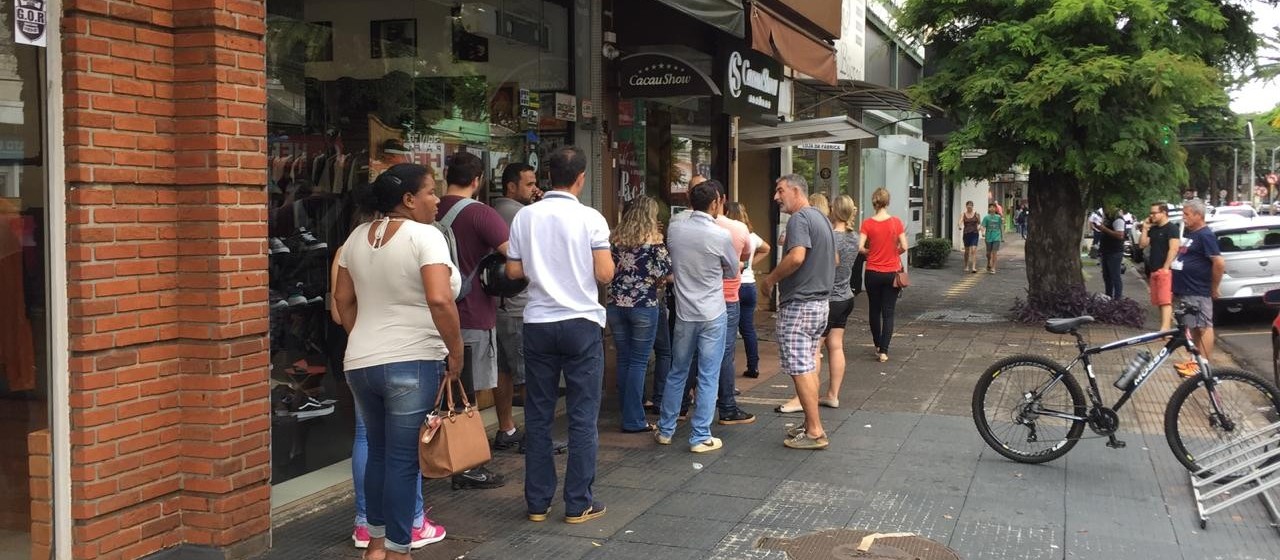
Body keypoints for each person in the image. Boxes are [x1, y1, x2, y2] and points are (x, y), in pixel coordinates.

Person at [333, 163, 462, 559]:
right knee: (405, 461)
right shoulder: (426, 236)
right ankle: (398, 550)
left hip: (361, 361)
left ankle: (375, 544)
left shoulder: (355, 238)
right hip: (412, 358)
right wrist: (455, 352)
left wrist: (362, 336)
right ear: (408, 200)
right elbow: (440, 298)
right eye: (429, 192)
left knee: (379, 452)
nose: (437, 199)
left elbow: (342, 299)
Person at [506, 146, 613, 524]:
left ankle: (537, 502)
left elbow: (514, 271)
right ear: (581, 178)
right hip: (581, 322)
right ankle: (578, 502)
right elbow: (604, 274)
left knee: (538, 414)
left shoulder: (525, 217)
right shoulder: (591, 218)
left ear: (548, 175)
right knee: (582, 416)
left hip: (538, 322)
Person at [436, 151, 509, 490]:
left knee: (443, 391)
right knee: (467, 396)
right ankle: (466, 465)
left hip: (435, 312)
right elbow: (514, 253)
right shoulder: (481, 214)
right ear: (478, 180)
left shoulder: (428, 208)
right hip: (472, 312)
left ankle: (436, 456)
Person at [490, 163, 566, 454]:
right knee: (529, 375)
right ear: (511, 187)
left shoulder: (498, 209)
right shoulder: (519, 213)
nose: (535, 189)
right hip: (518, 305)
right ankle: (536, 437)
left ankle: (506, 428)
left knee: (505, 372)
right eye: (529, 184)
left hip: (501, 305)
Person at [659, 180, 738, 453]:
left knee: (677, 370)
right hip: (713, 311)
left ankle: (666, 429)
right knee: (708, 373)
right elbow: (732, 272)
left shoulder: (676, 228)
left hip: (684, 311)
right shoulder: (720, 235)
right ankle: (700, 435)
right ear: (715, 203)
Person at [760, 175, 834, 449]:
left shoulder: (799, 219)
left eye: (780, 190)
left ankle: (814, 430)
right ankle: (809, 423)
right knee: (809, 364)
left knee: (800, 367)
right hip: (819, 304)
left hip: (801, 305)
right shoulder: (821, 218)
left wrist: (770, 280)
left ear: (795, 190)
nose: (776, 197)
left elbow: (797, 256)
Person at [774, 194, 857, 413]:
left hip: (827, 295)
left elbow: (833, 260)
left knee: (812, 352)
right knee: (836, 346)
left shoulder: (831, 235)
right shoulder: (854, 237)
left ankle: (802, 398)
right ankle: (832, 395)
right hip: (846, 295)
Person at [606, 195, 671, 433]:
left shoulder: (614, 238)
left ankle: (628, 412)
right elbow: (665, 272)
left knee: (624, 359)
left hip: (615, 305)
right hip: (644, 304)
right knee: (638, 362)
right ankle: (633, 420)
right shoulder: (654, 241)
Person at [710, 184, 756, 426]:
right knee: (725, 353)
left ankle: (682, 407)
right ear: (721, 200)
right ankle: (726, 406)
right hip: (728, 297)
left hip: (693, 301)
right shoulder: (737, 229)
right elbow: (743, 259)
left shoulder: (679, 227)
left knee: (689, 354)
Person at [1170, 199, 1225, 377]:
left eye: (1187, 214)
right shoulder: (1193, 234)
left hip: (1198, 290)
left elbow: (1218, 262)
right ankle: (1195, 362)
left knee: (1204, 327)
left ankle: (1204, 365)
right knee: (1193, 326)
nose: (1183, 218)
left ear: (1198, 215)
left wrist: (1214, 287)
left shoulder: (1205, 235)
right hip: (1187, 290)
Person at [859, 187, 907, 363]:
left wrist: (870, 253)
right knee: (888, 312)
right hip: (891, 273)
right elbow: (904, 246)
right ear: (888, 202)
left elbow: (860, 247)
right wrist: (895, 252)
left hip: (872, 272)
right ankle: (884, 351)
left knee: (874, 309)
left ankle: (877, 344)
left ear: (874, 202)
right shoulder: (896, 222)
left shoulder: (867, 223)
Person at [726, 202, 770, 379]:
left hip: (733, 284)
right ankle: (754, 366)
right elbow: (767, 248)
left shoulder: (727, 234)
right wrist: (750, 265)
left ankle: (727, 370)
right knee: (748, 329)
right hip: (749, 284)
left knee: (728, 331)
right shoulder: (751, 236)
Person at [1138, 201, 1180, 331]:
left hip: (1164, 270)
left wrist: (1166, 267)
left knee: (1165, 300)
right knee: (1158, 301)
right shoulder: (1154, 229)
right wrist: (1145, 228)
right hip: (1154, 269)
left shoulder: (1171, 228)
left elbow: (1173, 249)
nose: (1152, 216)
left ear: (1164, 213)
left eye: (1154, 213)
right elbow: (1142, 244)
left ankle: (1165, 329)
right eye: (1150, 213)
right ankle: (1163, 326)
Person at [1094, 205, 1127, 299]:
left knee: (1115, 276)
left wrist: (1104, 229)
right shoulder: (1108, 218)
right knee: (1106, 276)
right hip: (1106, 250)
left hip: (1114, 251)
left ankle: (1117, 299)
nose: (1104, 210)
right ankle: (1108, 296)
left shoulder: (1118, 219)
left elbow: (1120, 235)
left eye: (1106, 208)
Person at [981, 203, 1004, 274]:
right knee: (988, 253)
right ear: (988, 209)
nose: (992, 209)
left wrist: (1002, 236)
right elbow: (983, 226)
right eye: (990, 207)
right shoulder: (986, 217)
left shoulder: (998, 217)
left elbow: (1001, 225)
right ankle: (988, 262)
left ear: (996, 209)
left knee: (994, 252)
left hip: (996, 237)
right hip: (988, 237)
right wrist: (983, 232)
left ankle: (993, 267)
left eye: (994, 207)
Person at [959, 201, 981, 273]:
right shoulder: (963, 214)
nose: (969, 207)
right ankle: (966, 265)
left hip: (974, 233)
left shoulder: (976, 214)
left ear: (972, 206)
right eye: (968, 205)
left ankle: (974, 267)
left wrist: (979, 227)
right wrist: (959, 225)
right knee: (967, 251)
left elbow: (979, 223)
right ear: (966, 206)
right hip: (966, 234)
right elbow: (960, 221)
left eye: (971, 205)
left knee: (973, 250)